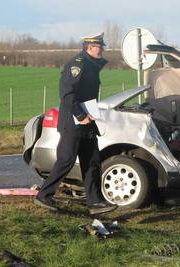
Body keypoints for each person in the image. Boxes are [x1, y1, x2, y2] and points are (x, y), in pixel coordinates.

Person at [34, 33, 117, 215]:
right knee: (66, 160)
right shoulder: (77, 65)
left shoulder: (91, 65)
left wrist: (89, 115)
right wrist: (80, 116)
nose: (102, 49)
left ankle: (95, 202)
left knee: (92, 161)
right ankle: (44, 195)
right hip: (74, 123)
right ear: (90, 47)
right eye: (99, 46)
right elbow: (67, 94)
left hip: (86, 122)